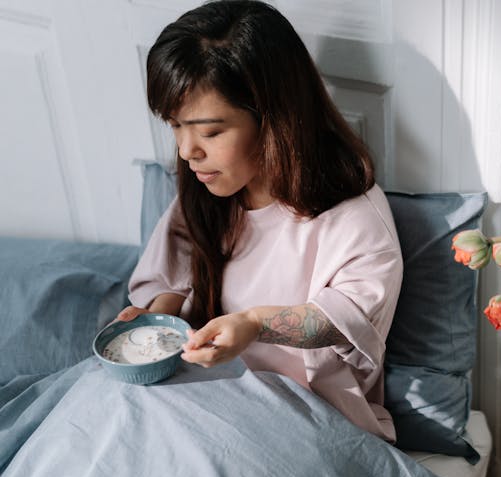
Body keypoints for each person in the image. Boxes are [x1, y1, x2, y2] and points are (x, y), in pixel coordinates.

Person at [117, 0, 403, 442]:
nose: (186, 150)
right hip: (198, 400)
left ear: (273, 119)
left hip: (304, 421)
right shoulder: (209, 191)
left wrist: (254, 324)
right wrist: (155, 325)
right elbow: (169, 280)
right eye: (175, 125)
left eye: (210, 132)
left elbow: (345, 322)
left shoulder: (354, 216)